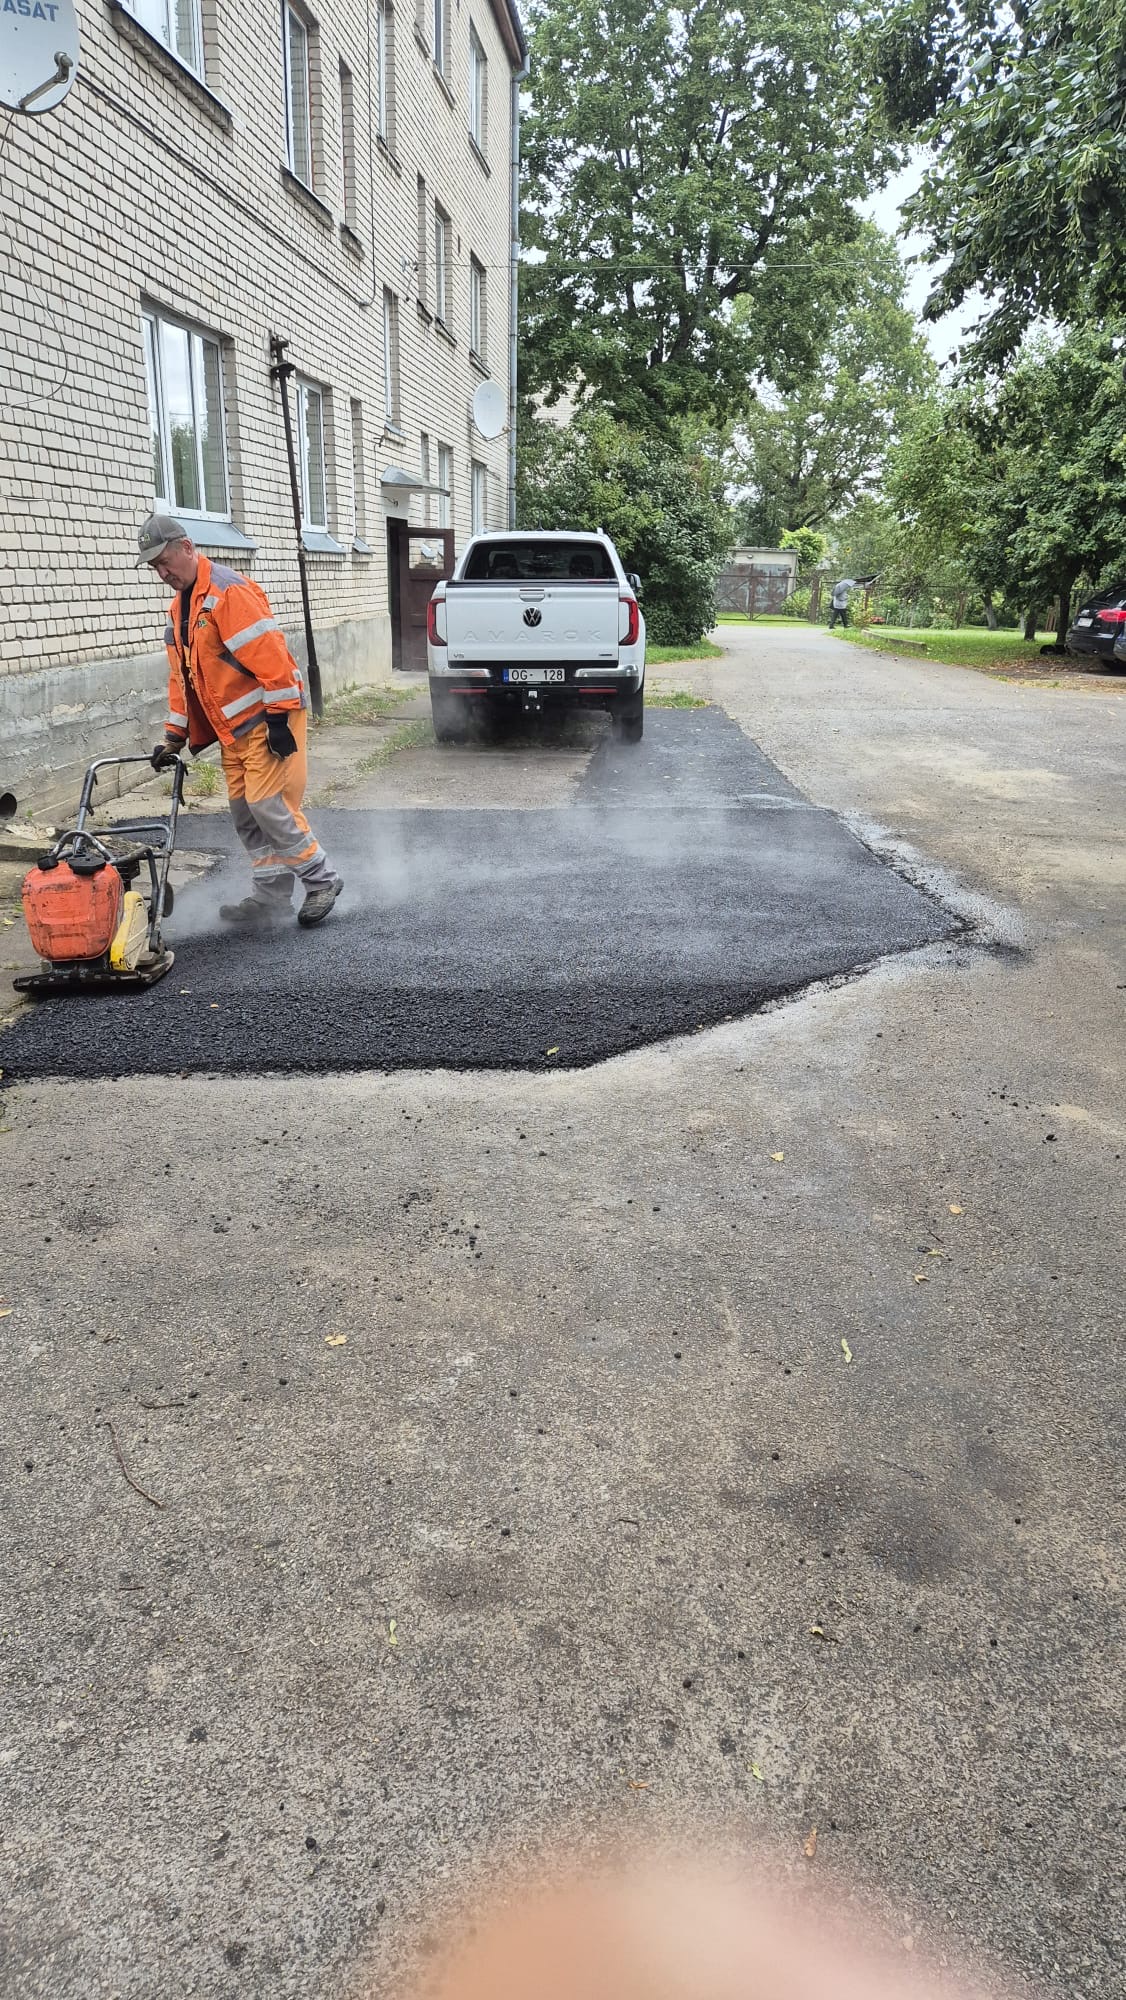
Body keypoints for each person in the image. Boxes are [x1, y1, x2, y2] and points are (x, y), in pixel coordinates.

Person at [136, 513, 343, 928]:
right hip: (233, 731)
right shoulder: (178, 611)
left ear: (188, 548)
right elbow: (183, 679)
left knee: (268, 805)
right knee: (244, 813)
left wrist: (281, 719)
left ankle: (321, 880)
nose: (162, 572)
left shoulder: (228, 593)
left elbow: (273, 658)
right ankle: (271, 897)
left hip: (267, 720)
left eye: (165, 561)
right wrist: (174, 737)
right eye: (154, 566)